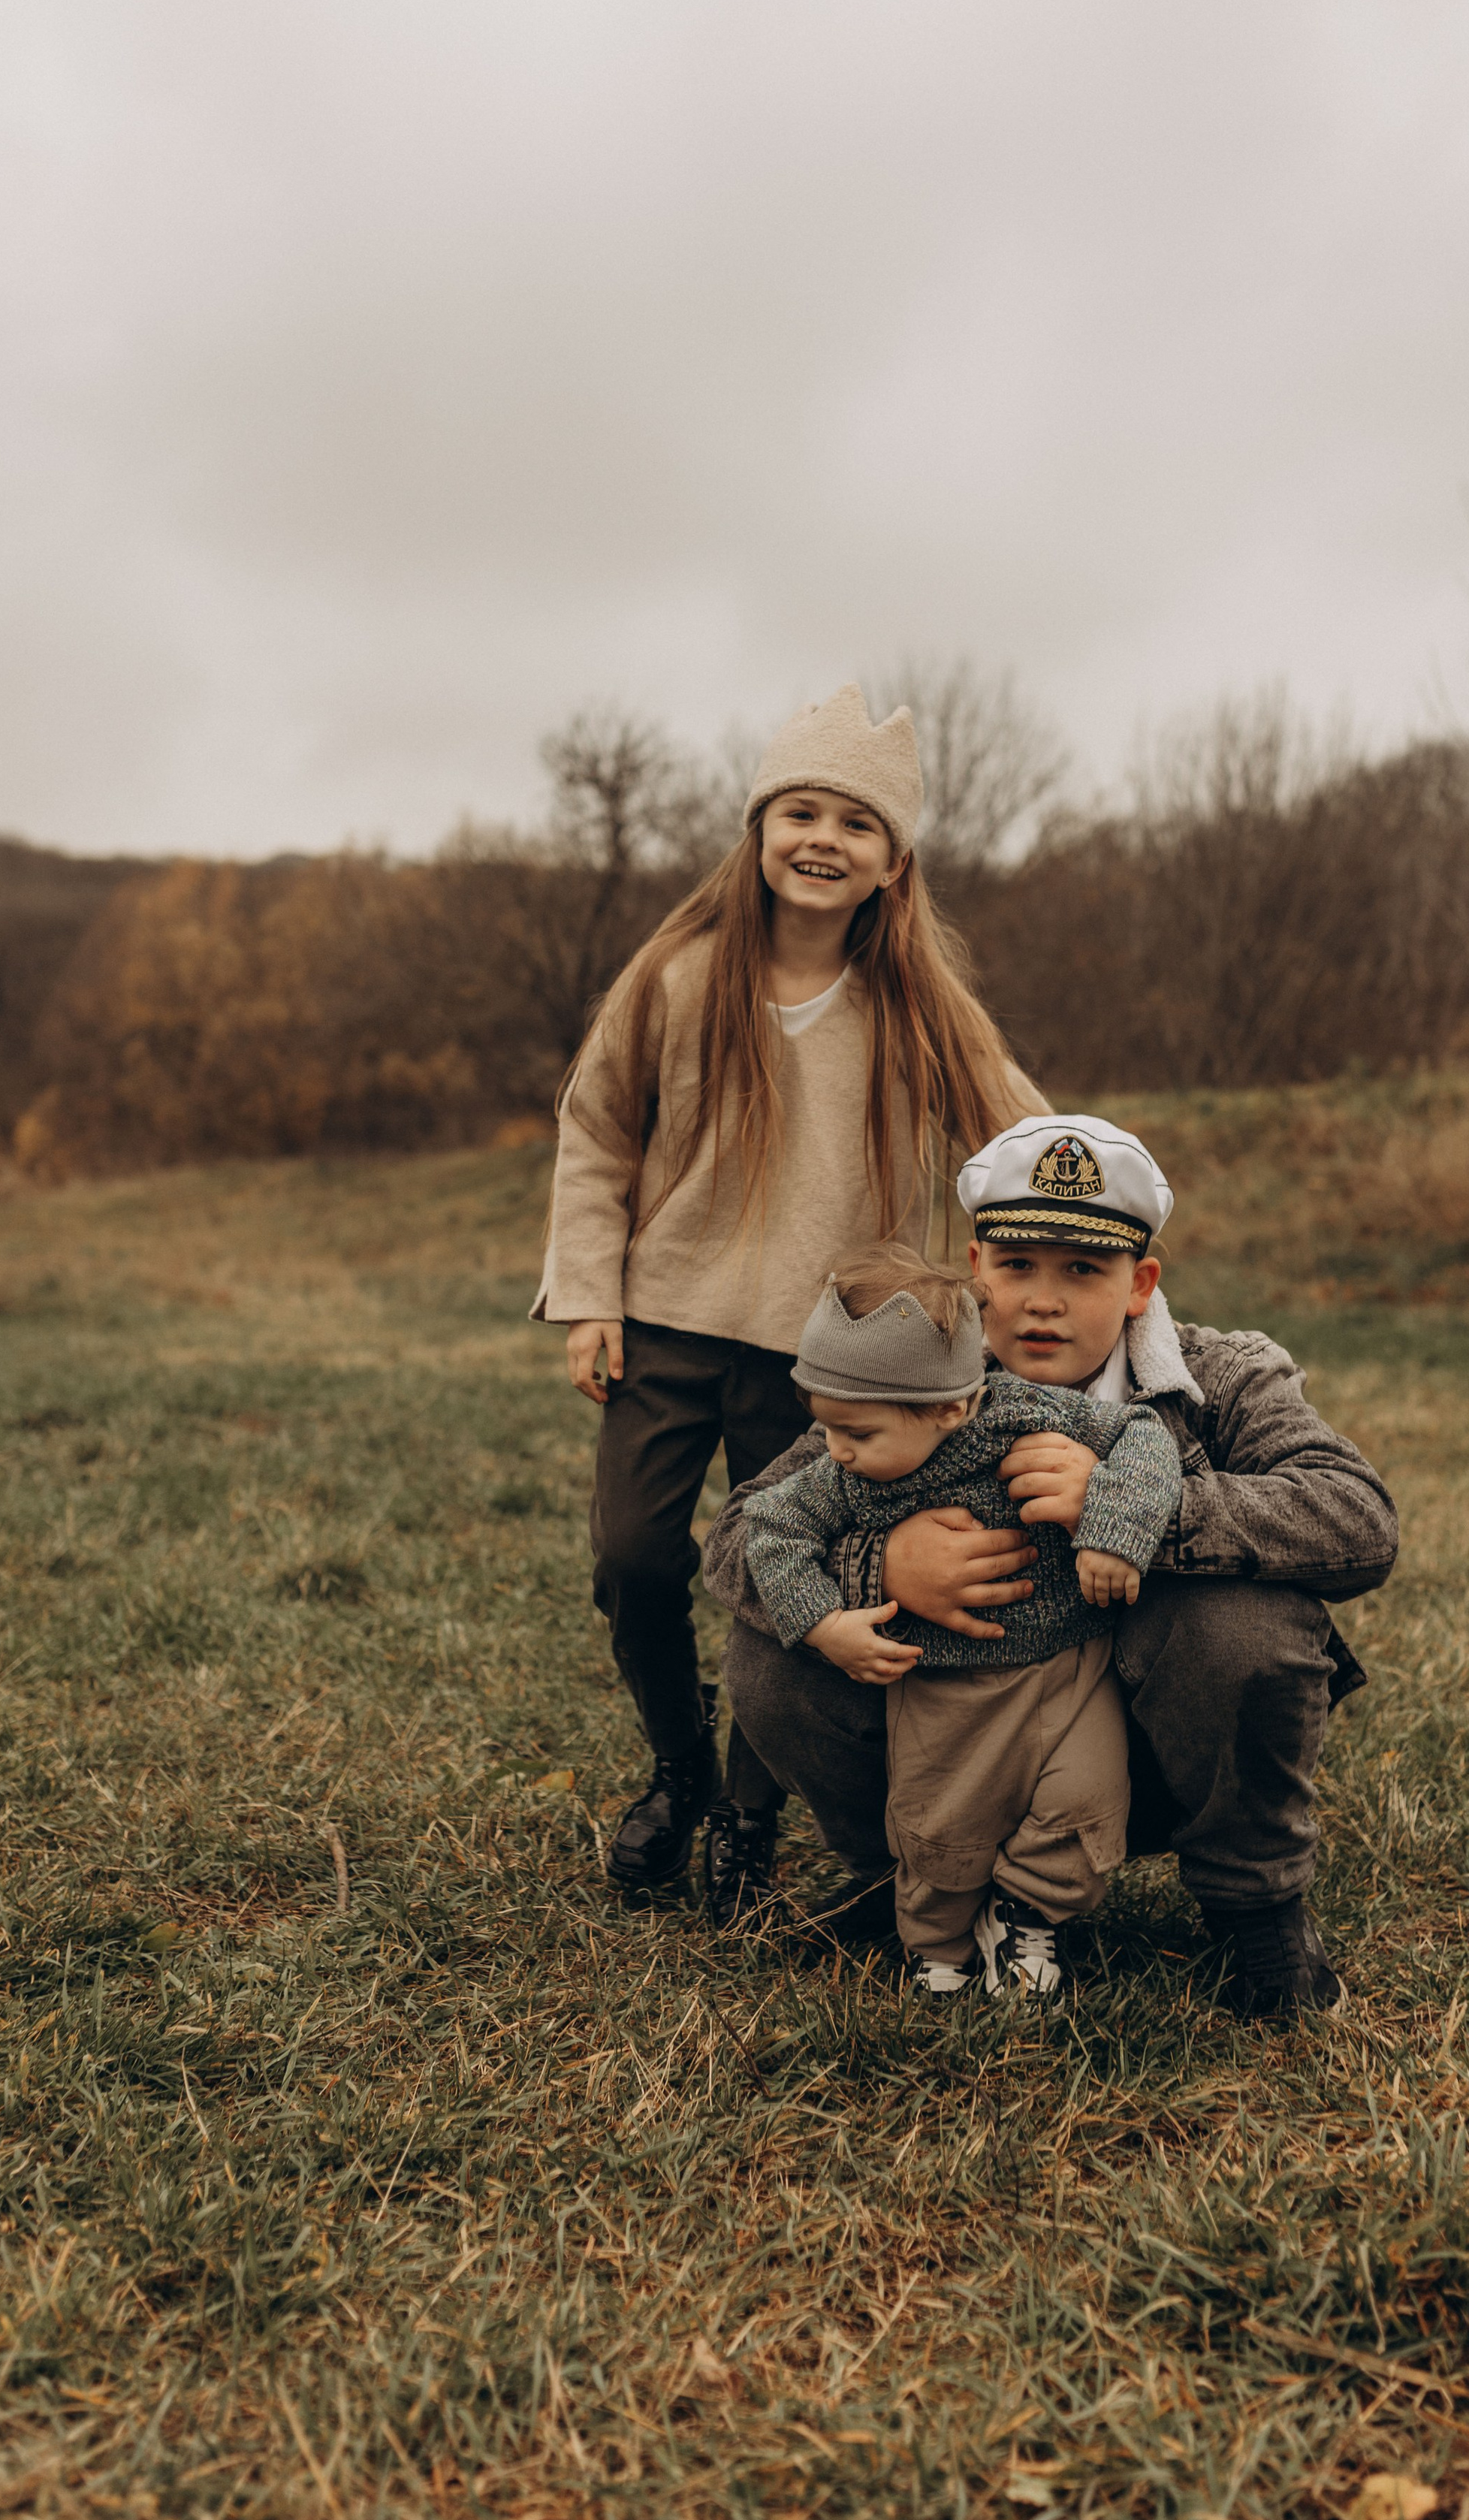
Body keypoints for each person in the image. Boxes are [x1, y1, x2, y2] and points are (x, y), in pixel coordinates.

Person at [701, 1115, 1399, 2019]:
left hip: (1151, 1751)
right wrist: (882, 1568)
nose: (1042, 1302)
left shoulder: (1221, 1376)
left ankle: (1254, 1906)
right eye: (1018, 1265)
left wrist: (1138, 1512)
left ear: (1139, 1284)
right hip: (948, 1740)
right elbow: (737, 1536)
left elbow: (1357, 1519)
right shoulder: (908, 1371)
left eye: (1082, 1271)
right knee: (773, 1650)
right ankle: (904, 1876)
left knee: (1238, 1629)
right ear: (975, 1270)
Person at [532, 685, 1048, 1896]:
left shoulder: (919, 1008)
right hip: (666, 1322)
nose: (825, 840)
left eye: (858, 824)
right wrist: (591, 1296)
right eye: (802, 813)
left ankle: (748, 1813)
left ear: (893, 863)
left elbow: (1021, 1139)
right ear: (759, 828)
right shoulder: (676, 976)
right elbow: (597, 1137)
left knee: (784, 1574)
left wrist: (1084, 1232)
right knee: (633, 1558)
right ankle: (680, 1768)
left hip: (836, 1356)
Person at [742, 1246, 1181, 1996]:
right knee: (939, 1827)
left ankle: (1028, 1915)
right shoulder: (844, 1478)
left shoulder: (1026, 1411)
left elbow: (1142, 1435)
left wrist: (1114, 1528)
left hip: (1071, 1672)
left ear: (950, 1407)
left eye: (857, 1434)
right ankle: (937, 1947)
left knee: (1084, 1801)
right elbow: (768, 1527)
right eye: (826, 1427)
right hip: (942, 1688)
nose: (836, 1450)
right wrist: (822, 1623)